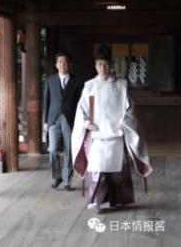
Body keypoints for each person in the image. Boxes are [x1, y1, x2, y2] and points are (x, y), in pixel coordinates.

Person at [71, 45, 153, 211]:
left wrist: (124, 122)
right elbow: (81, 110)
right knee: (97, 169)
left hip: (116, 134)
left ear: (111, 65)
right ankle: (96, 201)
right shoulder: (89, 86)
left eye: (106, 64)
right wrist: (87, 123)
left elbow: (130, 108)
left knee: (117, 172)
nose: (103, 67)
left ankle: (119, 200)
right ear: (95, 66)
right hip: (97, 135)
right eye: (100, 64)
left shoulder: (121, 85)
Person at [43, 51, 84, 191]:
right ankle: (57, 176)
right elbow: (46, 101)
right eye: (60, 61)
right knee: (53, 150)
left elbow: (81, 103)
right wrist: (45, 122)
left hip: (70, 119)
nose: (63, 64)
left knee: (69, 150)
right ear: (56, 64)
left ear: (70, 64)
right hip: (53, 119)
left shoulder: (77, 81)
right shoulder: (50, 80)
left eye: (65, 61)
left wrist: (81, 121)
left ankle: (67, 181)